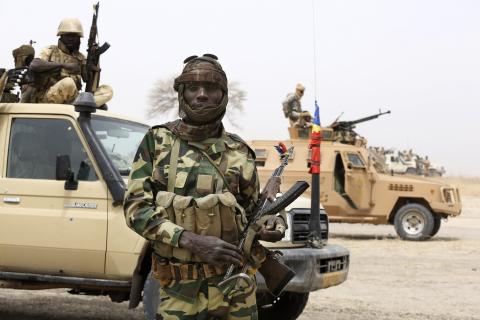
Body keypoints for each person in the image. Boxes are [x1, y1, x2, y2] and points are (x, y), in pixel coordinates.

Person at [124, 54, 286, 320]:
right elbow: (136, 209)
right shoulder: (157, 142)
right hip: (180, 293)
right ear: (182, 94)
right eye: (193, 88)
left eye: (210, 88)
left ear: (222, 95)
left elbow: (254, 212)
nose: (201, 95)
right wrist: (191, 241)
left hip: (235, 288)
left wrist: (272, 224)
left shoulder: (239, 151)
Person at [27, 18, 112, 106]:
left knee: (107, 90)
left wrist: (93, 60)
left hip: (72, 98)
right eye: (68, 36)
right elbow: (34, 65)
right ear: (61, 36)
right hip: (48, 97)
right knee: (69, 83)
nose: (71, 39)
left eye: (74, 36)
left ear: (79, 38)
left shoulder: (80, 58)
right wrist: (64, 65)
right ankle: (86, 104)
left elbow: (88, 79)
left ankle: (84, 105)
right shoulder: (50, 50)